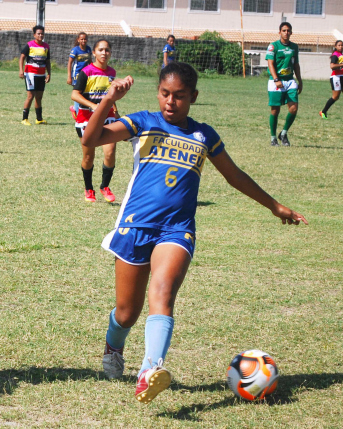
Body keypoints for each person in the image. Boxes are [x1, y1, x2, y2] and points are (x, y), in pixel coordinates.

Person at [82, 62, 308, 404]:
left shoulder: (204, 135)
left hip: (177, 230)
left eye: (180, 96)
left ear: (194, 97)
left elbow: (236, 176)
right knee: (127, 312)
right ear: (158, 92)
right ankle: (114, 346)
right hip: (135, 226)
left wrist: (274, 206)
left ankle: (148, 371)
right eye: (165, 94)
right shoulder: (143, 121)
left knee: (163, 292)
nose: (170, 102)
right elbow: (90, 138)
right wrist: (109, 99)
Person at [71, 39, 118, 203]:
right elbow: (74, 94)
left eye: (107, 50)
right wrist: (92, 105)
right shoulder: (87, 71)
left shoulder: (112, 72)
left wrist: (116, 111)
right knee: (89, 157)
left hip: (107, 116)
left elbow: (111, 95)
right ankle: (89, 188)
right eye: (101, 50)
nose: (104, 53)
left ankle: (105, 186)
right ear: (94, 53)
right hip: (86, 118)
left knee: (110, 152)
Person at [266, 22, 303, 147]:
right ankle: (273, 138)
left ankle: (283, 133)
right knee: (275, 110)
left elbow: (296, 64)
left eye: (288, 30)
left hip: (290, 80)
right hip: (276, 80)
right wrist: (276, 79)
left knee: (293, 108)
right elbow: (270, 63)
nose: (286, 32)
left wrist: (300, 80)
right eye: (284, 30)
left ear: (291, 32)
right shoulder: (273, 46)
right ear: (279, 32)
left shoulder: (294, 47)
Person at [19, 25, 51, 125]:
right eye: (38, 33)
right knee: (30, 96)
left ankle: (39, 119)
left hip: (41, 75)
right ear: (34, 35)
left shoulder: (46, 46)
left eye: (42, 33)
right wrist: (21, 70)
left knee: (39, 97)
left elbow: (48, 61)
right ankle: (24, 119)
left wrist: (49, 73)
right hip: (31, 74)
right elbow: (22, 58)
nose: (40, 35)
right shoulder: (29, 45)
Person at [319, 40, 343, 120]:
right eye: (339, 45)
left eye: (342, 45)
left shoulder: (341, 54)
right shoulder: (335, 55)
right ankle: (323, 111)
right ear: (336, 46)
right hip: (335, 77)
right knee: (335, 97)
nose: (341, 46)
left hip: (342, 76)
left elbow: (339, 67)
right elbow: (332, 66)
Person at [67, 32, 92, 120]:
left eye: (85, 39)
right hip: (76, 75)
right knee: (78, 93)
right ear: (78, 40)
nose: (83, 41)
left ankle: (77, 110)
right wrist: (69, 76)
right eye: (81, 39)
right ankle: (77, 113)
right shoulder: (75, 50)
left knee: (85, 93)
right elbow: (70, 63)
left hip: (86, 75)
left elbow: (90, 62)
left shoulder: (88, 49)